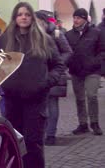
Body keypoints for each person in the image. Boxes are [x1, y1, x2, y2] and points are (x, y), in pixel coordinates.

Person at [0, 2, 65, 167]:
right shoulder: (5, 39)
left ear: (32, 17)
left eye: (27, 14)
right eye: (20, 14)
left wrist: (46, 82)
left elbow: (58, 65)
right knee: (14, 141)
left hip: (36, 99)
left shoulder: (44, 40)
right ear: (15, 18)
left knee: (33, 142)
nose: (24, 17)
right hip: (12, 99)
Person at [65, 8, 105, 136]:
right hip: (76, 71)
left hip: (93, 70)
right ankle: (83, 124)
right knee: (80, 98)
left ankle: (95, 123)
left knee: (92, 95)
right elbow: (66, 52)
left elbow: (102, 51)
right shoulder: (69, 35)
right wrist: (68, 64)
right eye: (74, 18)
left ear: (84, 19)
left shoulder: (96, 33)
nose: (76, 20)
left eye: (78, 18)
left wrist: (95, 62)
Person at [35, 11, 72, 146]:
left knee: (52, 104)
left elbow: (68, 51)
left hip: (54, 74)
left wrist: (57, 64)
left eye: (39, 22)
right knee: (40, 106)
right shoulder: (34, 35)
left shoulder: (57, 34)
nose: (37, 25)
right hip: (39, 75)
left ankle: (50, 135)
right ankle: (42, 133)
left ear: (45, 22)